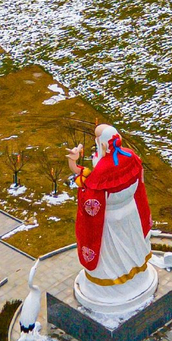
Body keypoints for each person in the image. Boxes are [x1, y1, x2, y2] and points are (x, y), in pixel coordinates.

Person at [67, 124, 156, 315]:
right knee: (132, 246)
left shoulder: (103, 170)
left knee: (111, 257)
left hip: (109, 222)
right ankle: (136, 277)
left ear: (102, 144)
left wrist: (77, 171)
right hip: (131, 214)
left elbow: (91, 199)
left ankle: (112, 285)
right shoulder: (130, 156)